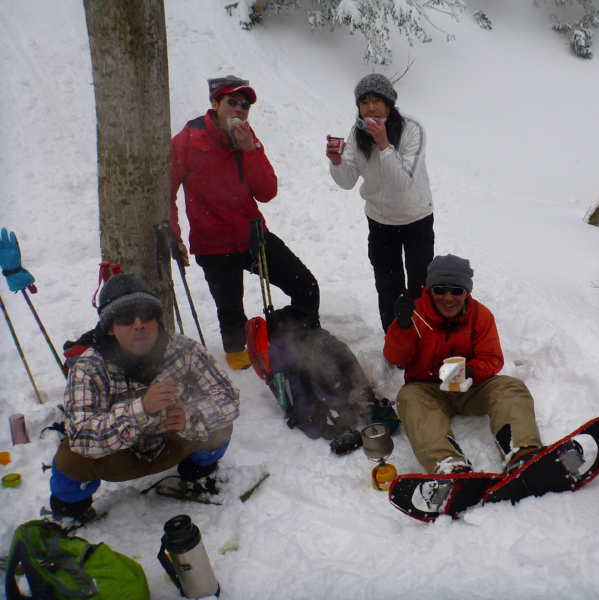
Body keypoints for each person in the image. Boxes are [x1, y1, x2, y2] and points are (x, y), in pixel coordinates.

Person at [49, 274, 240, 524]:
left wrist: (190, 417)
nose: (139, 324)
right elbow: (82, 436)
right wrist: (141, 409)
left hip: (172, 443)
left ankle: (198, 473)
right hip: (118, 455)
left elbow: (228, 397)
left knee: (220, 424)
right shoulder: (88, 368)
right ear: (110, 328)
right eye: (126, 318)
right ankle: (70, 512)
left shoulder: (184, 350)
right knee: (70, 458)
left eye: (146, 314)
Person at [171, 74, 319, 370]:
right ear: (215, 103)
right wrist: (175, 237)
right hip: (213, 246)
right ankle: (243, 372)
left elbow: (267, 192)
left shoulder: (249, 139)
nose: (239, 109)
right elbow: (166, 193)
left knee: (307, 287)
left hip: (253, 237)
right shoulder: (187, 141)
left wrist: (250, 150)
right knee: (231, 316)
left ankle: (287, 338)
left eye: (245, 105)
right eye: (232, 102)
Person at [383, 254, 543, 474]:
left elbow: (492, 357)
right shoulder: (414, 314)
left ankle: (523, 453)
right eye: (440, 289)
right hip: (426, 389)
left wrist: (471, 371)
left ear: (466, 292)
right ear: (430, 290)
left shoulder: (480, 315)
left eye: (456, 290)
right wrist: (402, 326)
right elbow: (394, 358)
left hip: (469, 386)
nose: (448, 298)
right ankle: (449, 466)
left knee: (510, 387)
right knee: (408, 398)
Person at [327, 73, 434, 333]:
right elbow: (347, 181)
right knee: (388, 285)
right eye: (364, 102)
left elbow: (404, 182)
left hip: (415, 218)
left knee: (420, 284)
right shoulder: (357, 134)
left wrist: (384, 144)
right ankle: (396, 339)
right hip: (379, 222)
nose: (370, 107)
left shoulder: (412, 129)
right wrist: (337, 162)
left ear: (389, 103)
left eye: (376, 100)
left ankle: (424, 337)